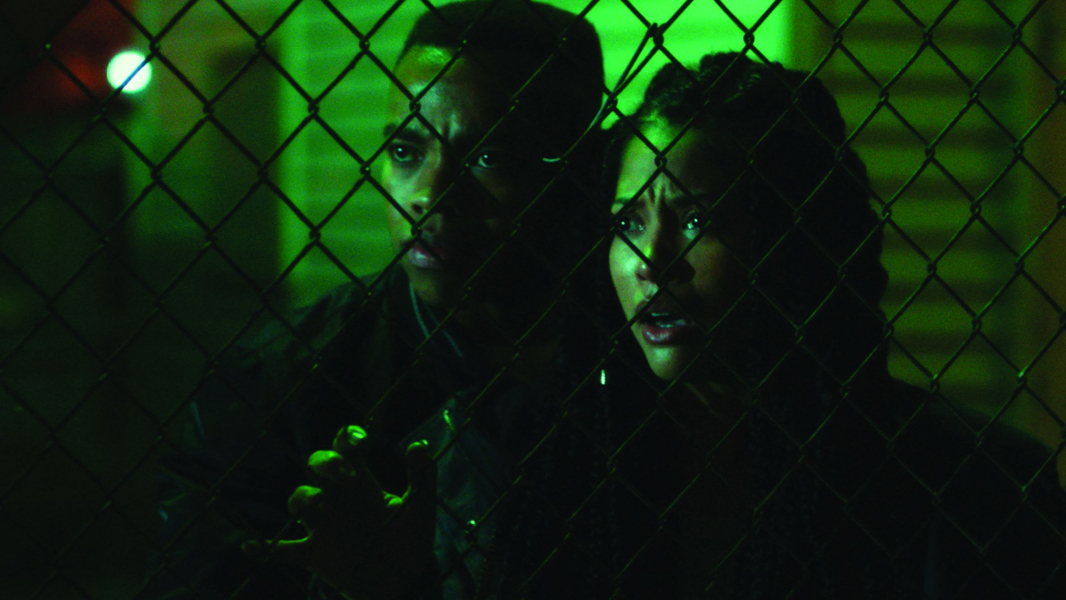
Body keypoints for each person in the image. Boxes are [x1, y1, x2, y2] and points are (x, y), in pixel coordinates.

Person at [145, 2, 608, 598]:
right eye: (406, 152)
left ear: (579, 171)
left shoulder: (637, 352)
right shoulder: (282, 383)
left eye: (490, 157)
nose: (428, 196)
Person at [602, 52, 1066, 597]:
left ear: (794, 234)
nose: (650, 261)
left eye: (697, 219)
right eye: (628, 222)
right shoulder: (578, 460)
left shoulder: (976, 486)